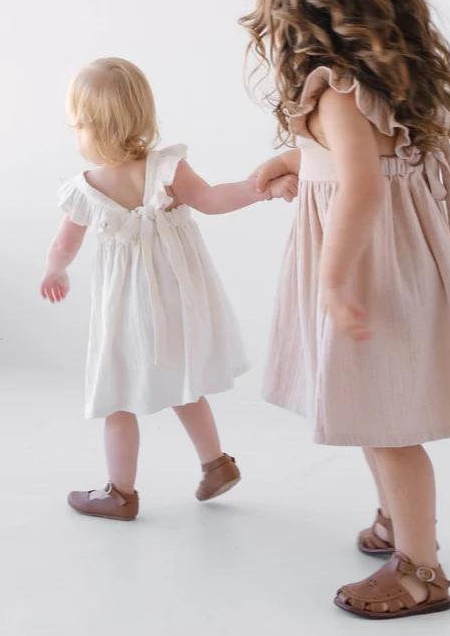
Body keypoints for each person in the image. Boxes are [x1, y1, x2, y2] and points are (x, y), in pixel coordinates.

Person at [242, 0, 450, 618]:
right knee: (370, 407)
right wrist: (299, 160)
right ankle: (396, 522)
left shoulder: (334, 93)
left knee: (387, 423)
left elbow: (361, 188)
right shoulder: (382, 82)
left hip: (367, 268)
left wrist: (332, 279)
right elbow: (375, 161)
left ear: (296, 12)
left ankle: (421, 570)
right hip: (399, 261)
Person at [40, 56, 297, 520]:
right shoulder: (168, 168)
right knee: (183, 384)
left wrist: (55, 271)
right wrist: (265, 188)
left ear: (89, 127)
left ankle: (120, 493)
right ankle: (215, 463)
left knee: (118, 397)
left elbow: (64, 244)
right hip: (178, 302)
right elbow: (216, 200)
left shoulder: (88, 187)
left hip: (125, 311)